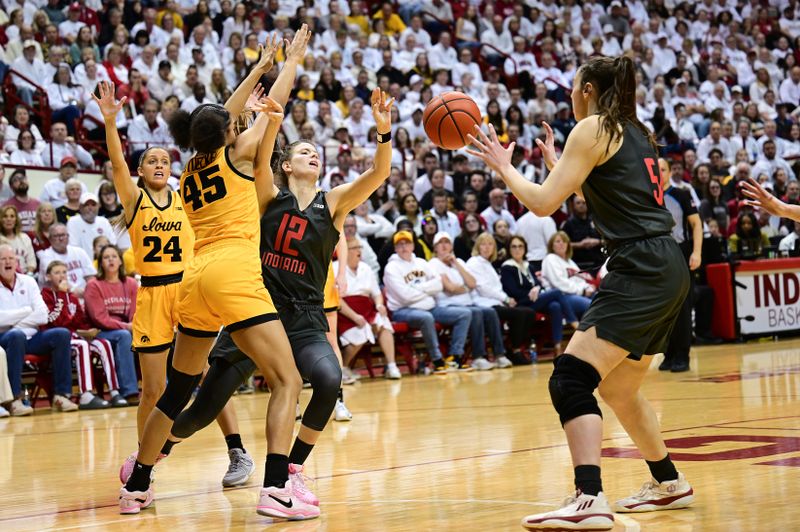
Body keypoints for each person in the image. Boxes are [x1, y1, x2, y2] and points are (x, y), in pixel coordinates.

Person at [467, 55, 694, 529]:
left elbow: (544, 203)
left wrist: (504, 168)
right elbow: (609, 196)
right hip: (665, 261)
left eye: (573, 87)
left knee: (570, 378)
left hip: (640, 264)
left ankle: (589, 497)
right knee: (619, 388)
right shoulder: (635, 130)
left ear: (587, 88)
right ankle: (668, 481)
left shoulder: (591, 127)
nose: (570, 94)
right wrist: (559, 167)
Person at [116, 34, 317, 520]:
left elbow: (218, 117)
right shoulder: (241, 152)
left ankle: (137, 485)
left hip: (194, 277)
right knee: (286, 379)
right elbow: (268, 105)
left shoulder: (190, 165)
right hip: (232, 270)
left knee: (176, 390)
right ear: (229, 132)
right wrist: (286, 64)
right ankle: (275, 489)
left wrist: (258, 67)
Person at [0, 245, 77, 413]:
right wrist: (26, 312)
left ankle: (61, 395)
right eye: (3, 259)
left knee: (61, 334)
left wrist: (13, 321)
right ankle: (14, 399)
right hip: (5, 338)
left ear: (16, 262)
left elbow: (42, 315)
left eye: (11, 258)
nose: (7, 262)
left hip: (33, 338)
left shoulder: (28, 281)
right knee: (16, 336)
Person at [41, 260, 128, 409]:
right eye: (57, 273)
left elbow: (80, 322)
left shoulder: (73, 297)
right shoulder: (45, 295)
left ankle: (114, 391)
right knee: (82, 346)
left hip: (76, 335)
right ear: (48, 277)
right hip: (58, 339)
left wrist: (89, 331)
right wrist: (61, 294)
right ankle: (86, 394)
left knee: (104, 343)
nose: (62, 276)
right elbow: (52, 321)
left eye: (64, 272)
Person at [384, 230, 472, 374]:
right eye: (400, 244)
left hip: (430, 307)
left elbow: (438, 285)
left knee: (464, 314)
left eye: (407, 243)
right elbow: (405, 296)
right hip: (403, 311)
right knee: (426, 318)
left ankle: (455, 357)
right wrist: (427, 290)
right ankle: (437, 360)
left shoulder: (422, 263)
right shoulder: (391, 268)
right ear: (395, 248)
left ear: (413, 245)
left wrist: (418, 288)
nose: (404, 247)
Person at [428, 231, 506, 370]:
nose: (444, 246)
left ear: (452, 246)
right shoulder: (433, 263)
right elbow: (450, 288)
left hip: (466, 304)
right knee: (475, 312)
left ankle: (499, 355)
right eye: (441, 243)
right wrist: (466, 288)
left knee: (490, 312)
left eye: (447, 242)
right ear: (435, 248)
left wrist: (455, 263)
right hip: (445, 306)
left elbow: (472, 283)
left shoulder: (459, 262)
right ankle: (478, 357)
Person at [500, 235, 579, 358]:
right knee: (557, 292)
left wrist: (537, 289)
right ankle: (573, 322)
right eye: (514, 246)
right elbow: (512, 290)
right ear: (509, 249)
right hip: (521, 303)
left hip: (535, 300)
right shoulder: (507, 267)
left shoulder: (528, 265)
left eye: (520, 246)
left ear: (525, 249)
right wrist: (530, 293)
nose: (517, 249)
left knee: (555, 306)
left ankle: (557, 347)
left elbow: (538, 284)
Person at [659, 158, 703, 373]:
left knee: (683, 306)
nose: (659, 173)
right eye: (655, 170)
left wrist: (696, 252)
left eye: (663, 169)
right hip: (657, 256)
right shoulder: (648, 197)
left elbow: (696, 224)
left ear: (669, 172)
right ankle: (668, 352)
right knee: (664, 308)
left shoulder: (682, 194)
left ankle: (682, 355)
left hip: (680, 252)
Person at [337, 235, 401, 379]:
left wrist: (379, 305)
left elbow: (377, 293)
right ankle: (343, 367)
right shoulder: (335, 267)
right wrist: (354, 316)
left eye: (360, 247)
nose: (359, 250)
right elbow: (336, 299)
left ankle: (392, 366)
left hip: (367, 308)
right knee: (359, 334)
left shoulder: (366, 268)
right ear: (345, 250)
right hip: (346, 311)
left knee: (383, 324)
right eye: (355, 248)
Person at [84, 245, 140, 405]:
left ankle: (162, 388)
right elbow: (99, 318)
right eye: (106, 257)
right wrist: (126, 327)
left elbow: (135, 312)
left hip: (126, 329)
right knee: (124, 336)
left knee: (148, 335)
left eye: (114, 256)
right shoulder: (94, 285)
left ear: (121, 262)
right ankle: (129, 391)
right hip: (101, 331)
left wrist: (133, 326)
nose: (110, 260)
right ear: (100, 263)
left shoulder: (130, 283)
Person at [466, 233, 531, 366]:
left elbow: (497, 288)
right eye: (483, 244)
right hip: (483, 303)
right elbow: (483, 288)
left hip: (496, 302)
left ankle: (513, 347)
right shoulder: (474, 262)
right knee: (520, 313)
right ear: (478, 246)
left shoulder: (488, 264)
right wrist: (506, 299)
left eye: (490, 244)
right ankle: (512, 350)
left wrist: (506, 300)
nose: (487, 247)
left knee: (528, 312)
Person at [540, 232, 595, 320]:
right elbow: (560, 283)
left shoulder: (570, 262)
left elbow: (581, 280)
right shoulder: (550, 259)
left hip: (576, 294)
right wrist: (582, 291)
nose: (561, 243)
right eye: (558, 241)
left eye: (564, 241)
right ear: (552, 245)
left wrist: (587, 288)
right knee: (593, 306)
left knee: (603, 301)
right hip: (562, 297)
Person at [36, 224, 96, 296]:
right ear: (50, 239)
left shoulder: (79, 251)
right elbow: (59, 284)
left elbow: (91, 276)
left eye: (63, 235)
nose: (61, 238)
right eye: (57, 236)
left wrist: (92, 291)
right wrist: (83, 293)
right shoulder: (46, 257)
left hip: (85, 294)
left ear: (68, 236)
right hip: (58, 297)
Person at [67, 192, 117, 257]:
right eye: (86, 205)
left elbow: (113, 244)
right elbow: (73, 247)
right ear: (80, 207)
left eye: (93, 205)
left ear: (98, 206)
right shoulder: (73, 222)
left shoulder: (103, 221)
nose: (90, 208)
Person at [0, 205, 36, 274]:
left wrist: (28, 276)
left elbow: (31, 262)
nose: (9, 219)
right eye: (5, 216)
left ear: (16, 220)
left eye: (12, 216)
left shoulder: (25, 238)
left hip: (25, 276)